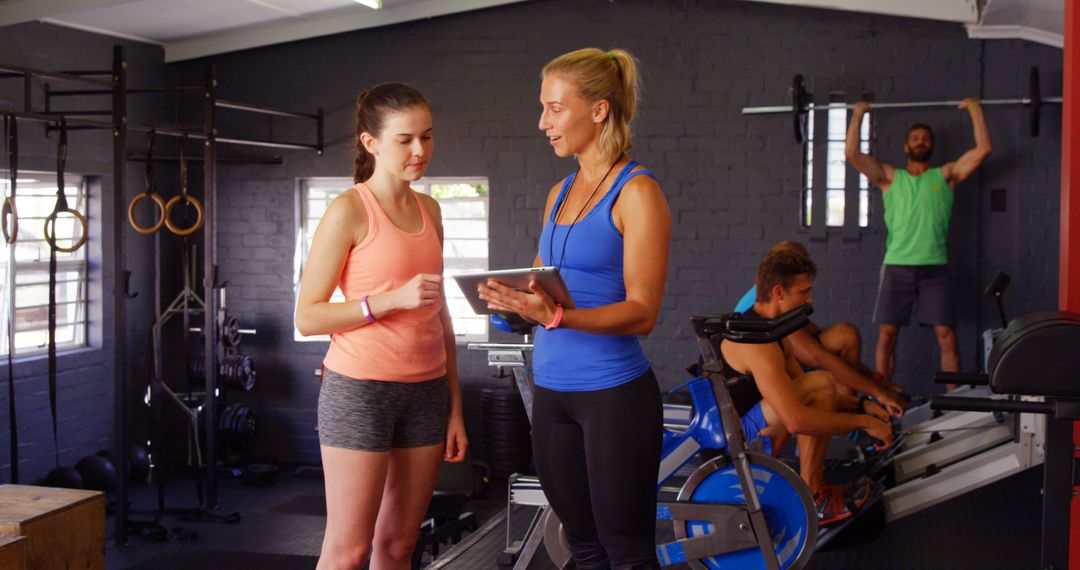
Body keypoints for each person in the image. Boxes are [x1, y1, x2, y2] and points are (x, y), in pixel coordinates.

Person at [478, 47, 670, 570]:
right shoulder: (559, 194)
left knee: (626, 552)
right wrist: (514, 300)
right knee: (582, 550)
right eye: (543, 108)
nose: (543, 122)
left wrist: (556, 318)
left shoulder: (638, 193)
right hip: (553, 395)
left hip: (614, 396)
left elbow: (643, 311)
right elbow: (548, 286)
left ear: (599, 110)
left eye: (555, 108)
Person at [295, 82, 467, 570]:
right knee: (348, 551)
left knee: (398, 547)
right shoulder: (349, 209)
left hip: (427, 393)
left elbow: (441, 316)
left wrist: (454, 407)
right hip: (360, 390)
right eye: (405, 139)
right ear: (371, 143)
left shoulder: (430, 210)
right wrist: (389, 300)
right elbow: (308, 316)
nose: (420, 151)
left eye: (427, 137)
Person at [720, 249, 894, 525]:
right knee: (820, 385)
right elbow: (796, 420)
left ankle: (812, 490)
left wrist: (864, 405)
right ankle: (812, 497)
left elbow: (808, 389)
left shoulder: (772, 331)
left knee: (820, 384)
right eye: (804, 292)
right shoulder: (755, 339)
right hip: (730, 437)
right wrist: (864, 423)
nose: (809, 300)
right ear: (779, 292)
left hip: (754, 423)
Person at [845, 99, 992, 387]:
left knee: (947, 337)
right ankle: (885, 400)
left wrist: (975, 110)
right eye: (915, 138)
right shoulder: (890, 178)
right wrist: (857, 114)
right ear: (906, 146)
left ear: (931, 146)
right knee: (887, 336)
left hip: (935, 268)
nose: (920, 141)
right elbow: (851, 153)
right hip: (896, 267)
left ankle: (954, 407)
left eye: (925, 138)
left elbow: (984, 149)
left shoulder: (946, 175)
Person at [736, 241, 906, 415]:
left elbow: (822, 349)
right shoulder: (773, 305)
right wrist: (878, 394)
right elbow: (816, 357)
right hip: (754, 396)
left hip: (777, 374)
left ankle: (846, 419)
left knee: (845, 336)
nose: (809, 299)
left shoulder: (784, 302)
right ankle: (844, 421)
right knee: (818, 386)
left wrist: (876, 381)